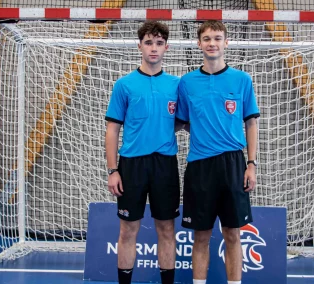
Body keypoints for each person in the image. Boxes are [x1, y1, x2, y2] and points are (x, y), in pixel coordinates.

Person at [175, 20, 260, 284]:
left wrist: (251, 163)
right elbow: (182, 122)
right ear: (198, 43)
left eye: (218, 38)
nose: (213, 43)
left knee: (232, 233)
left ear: (226, 43)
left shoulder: (242, 80)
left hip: (233, 164)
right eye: (208, 38)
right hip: (200, 166)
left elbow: (251, 123)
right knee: (200, 236)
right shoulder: (186, 83)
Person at [105, 21, 180, 284]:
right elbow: (112, 130)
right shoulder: (124, 85)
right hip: (132, 165)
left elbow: (182, 121)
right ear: (139, 46)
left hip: (165, 164)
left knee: (167, 228)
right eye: (148, 42)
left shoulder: (176, 85)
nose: (154, 48)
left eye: (159, 43)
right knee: (128, 229)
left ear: (166, 48)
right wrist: (113, 170)